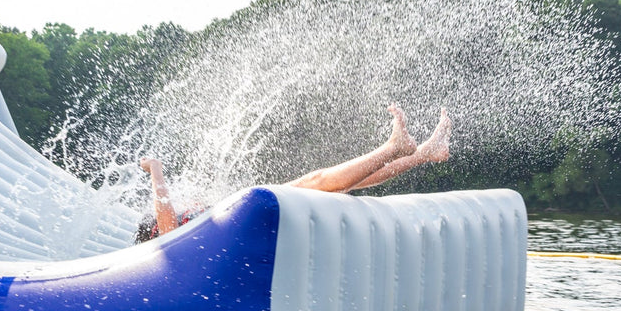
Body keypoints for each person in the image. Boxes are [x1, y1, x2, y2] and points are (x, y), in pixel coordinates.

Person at [137, 104, 452, 242]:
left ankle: (422, 153)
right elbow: (165, 225)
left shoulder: (190, 229)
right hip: (254, 223)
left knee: (343, 185)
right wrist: (156, 170)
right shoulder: (166, 240)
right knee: (314, 181)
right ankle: (393, 147)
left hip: (254, 225)